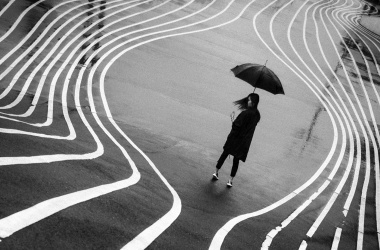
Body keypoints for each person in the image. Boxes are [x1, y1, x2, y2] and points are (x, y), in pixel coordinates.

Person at [213, 93, 261, 187]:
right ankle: (230, 180)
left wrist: (232, 120)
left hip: (235, 138)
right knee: (236, 160)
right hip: (244, 141)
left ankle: (216, 171)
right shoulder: (257, 115)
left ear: (254, 102)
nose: (248, 101)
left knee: (225, 153)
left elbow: (236, 126)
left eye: (249, 100)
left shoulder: (245, 113)